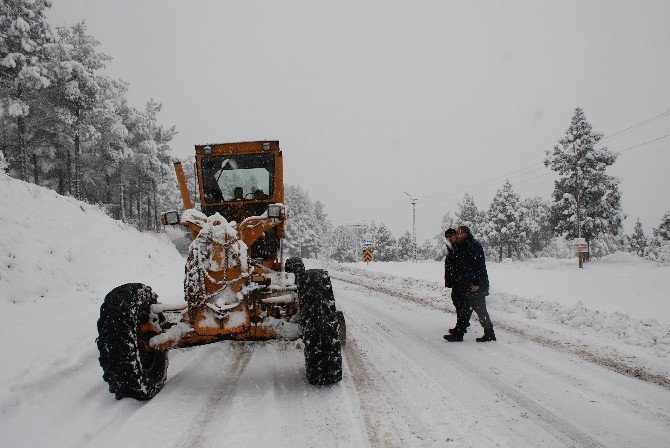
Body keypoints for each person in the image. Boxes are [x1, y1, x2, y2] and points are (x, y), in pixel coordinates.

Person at [444, 225, 496, 342]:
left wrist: (477, 283)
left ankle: (486, 333)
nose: (455, 235)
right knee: (468, 309)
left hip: (475, 285)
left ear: (464, 234)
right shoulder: (463, 245)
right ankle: (462, 333)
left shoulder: (473, 245)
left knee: (478, 309)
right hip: (468, 284)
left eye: (458, 233)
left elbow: (479, 267)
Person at [444, 228, 470, 335]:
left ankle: (461, 327)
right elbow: (449, 264)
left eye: (451, 235)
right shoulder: (450, 247)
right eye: (447, 236)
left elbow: (463, 264)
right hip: (455, 279)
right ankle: (462, 324)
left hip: (462, 280)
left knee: (462, 304)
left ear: (456, 236)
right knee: (458, 302)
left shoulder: (459, 246)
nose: (449, 238)